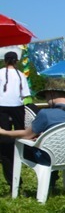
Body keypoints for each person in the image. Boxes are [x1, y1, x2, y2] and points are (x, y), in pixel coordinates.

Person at [0, 78, 65, 167]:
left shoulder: (46, 114)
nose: (46, 100)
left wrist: (4, 132)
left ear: (51, 93)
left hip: (48, 158)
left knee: (8, 145)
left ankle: (13, 176)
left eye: (46, 96)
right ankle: (52, 175)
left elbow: (26, 135)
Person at [1, 51, 32, 188]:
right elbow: (25, 94)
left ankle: (9, 167)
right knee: (21, 135)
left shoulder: (0, 72)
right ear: (16, 61)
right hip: (18, 107)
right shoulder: (21, 75)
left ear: (5, 61)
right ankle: (22, 155)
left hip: (1, 107)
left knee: (4, 138)